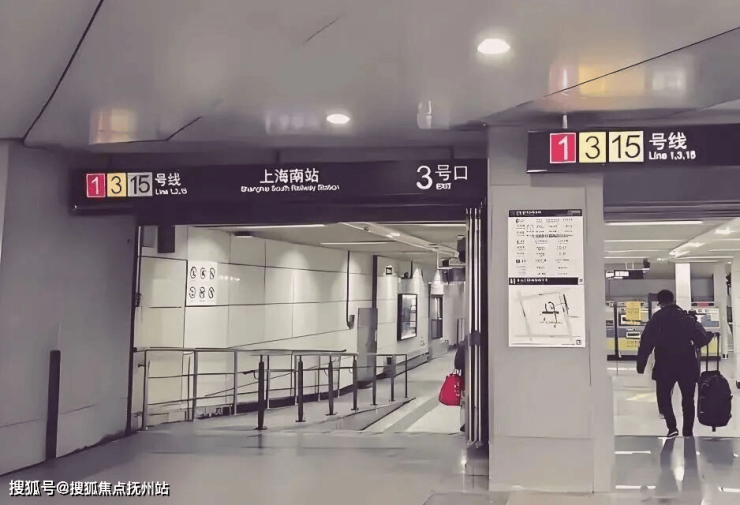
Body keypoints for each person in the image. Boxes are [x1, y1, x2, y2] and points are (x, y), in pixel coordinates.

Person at [636, 290, 712, 438]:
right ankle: (687, 431)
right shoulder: (686, 317)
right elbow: (701, 339)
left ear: (660, 303)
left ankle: (672, 428)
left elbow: (646, 342)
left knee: (664, 397)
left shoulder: (657, 318)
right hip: (687, 364)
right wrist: (709, 335)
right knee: (688, 400)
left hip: (665, 364)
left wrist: (641, 364)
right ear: (673, 300)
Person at [454, 337, 466, 432]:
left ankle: (464, 423)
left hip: (466, 379)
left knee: (464, 402)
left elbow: (457, 364)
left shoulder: (463, 345)